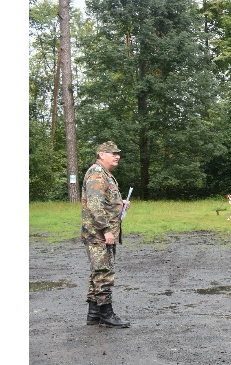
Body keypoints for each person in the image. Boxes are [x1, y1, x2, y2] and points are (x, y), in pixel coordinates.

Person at [82, 140, 131, 328]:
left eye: (118, 153)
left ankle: (94, 314)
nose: (117, 156)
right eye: (113, 153)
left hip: (101, 232)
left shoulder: (104, 174)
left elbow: (105, 201)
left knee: (98, 272)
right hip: (99, 234)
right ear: (102, 155)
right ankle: (106, 315)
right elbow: (95, 206)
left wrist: (120, 204)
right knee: (103, 272)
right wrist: (106, 230)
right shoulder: (96, 173)